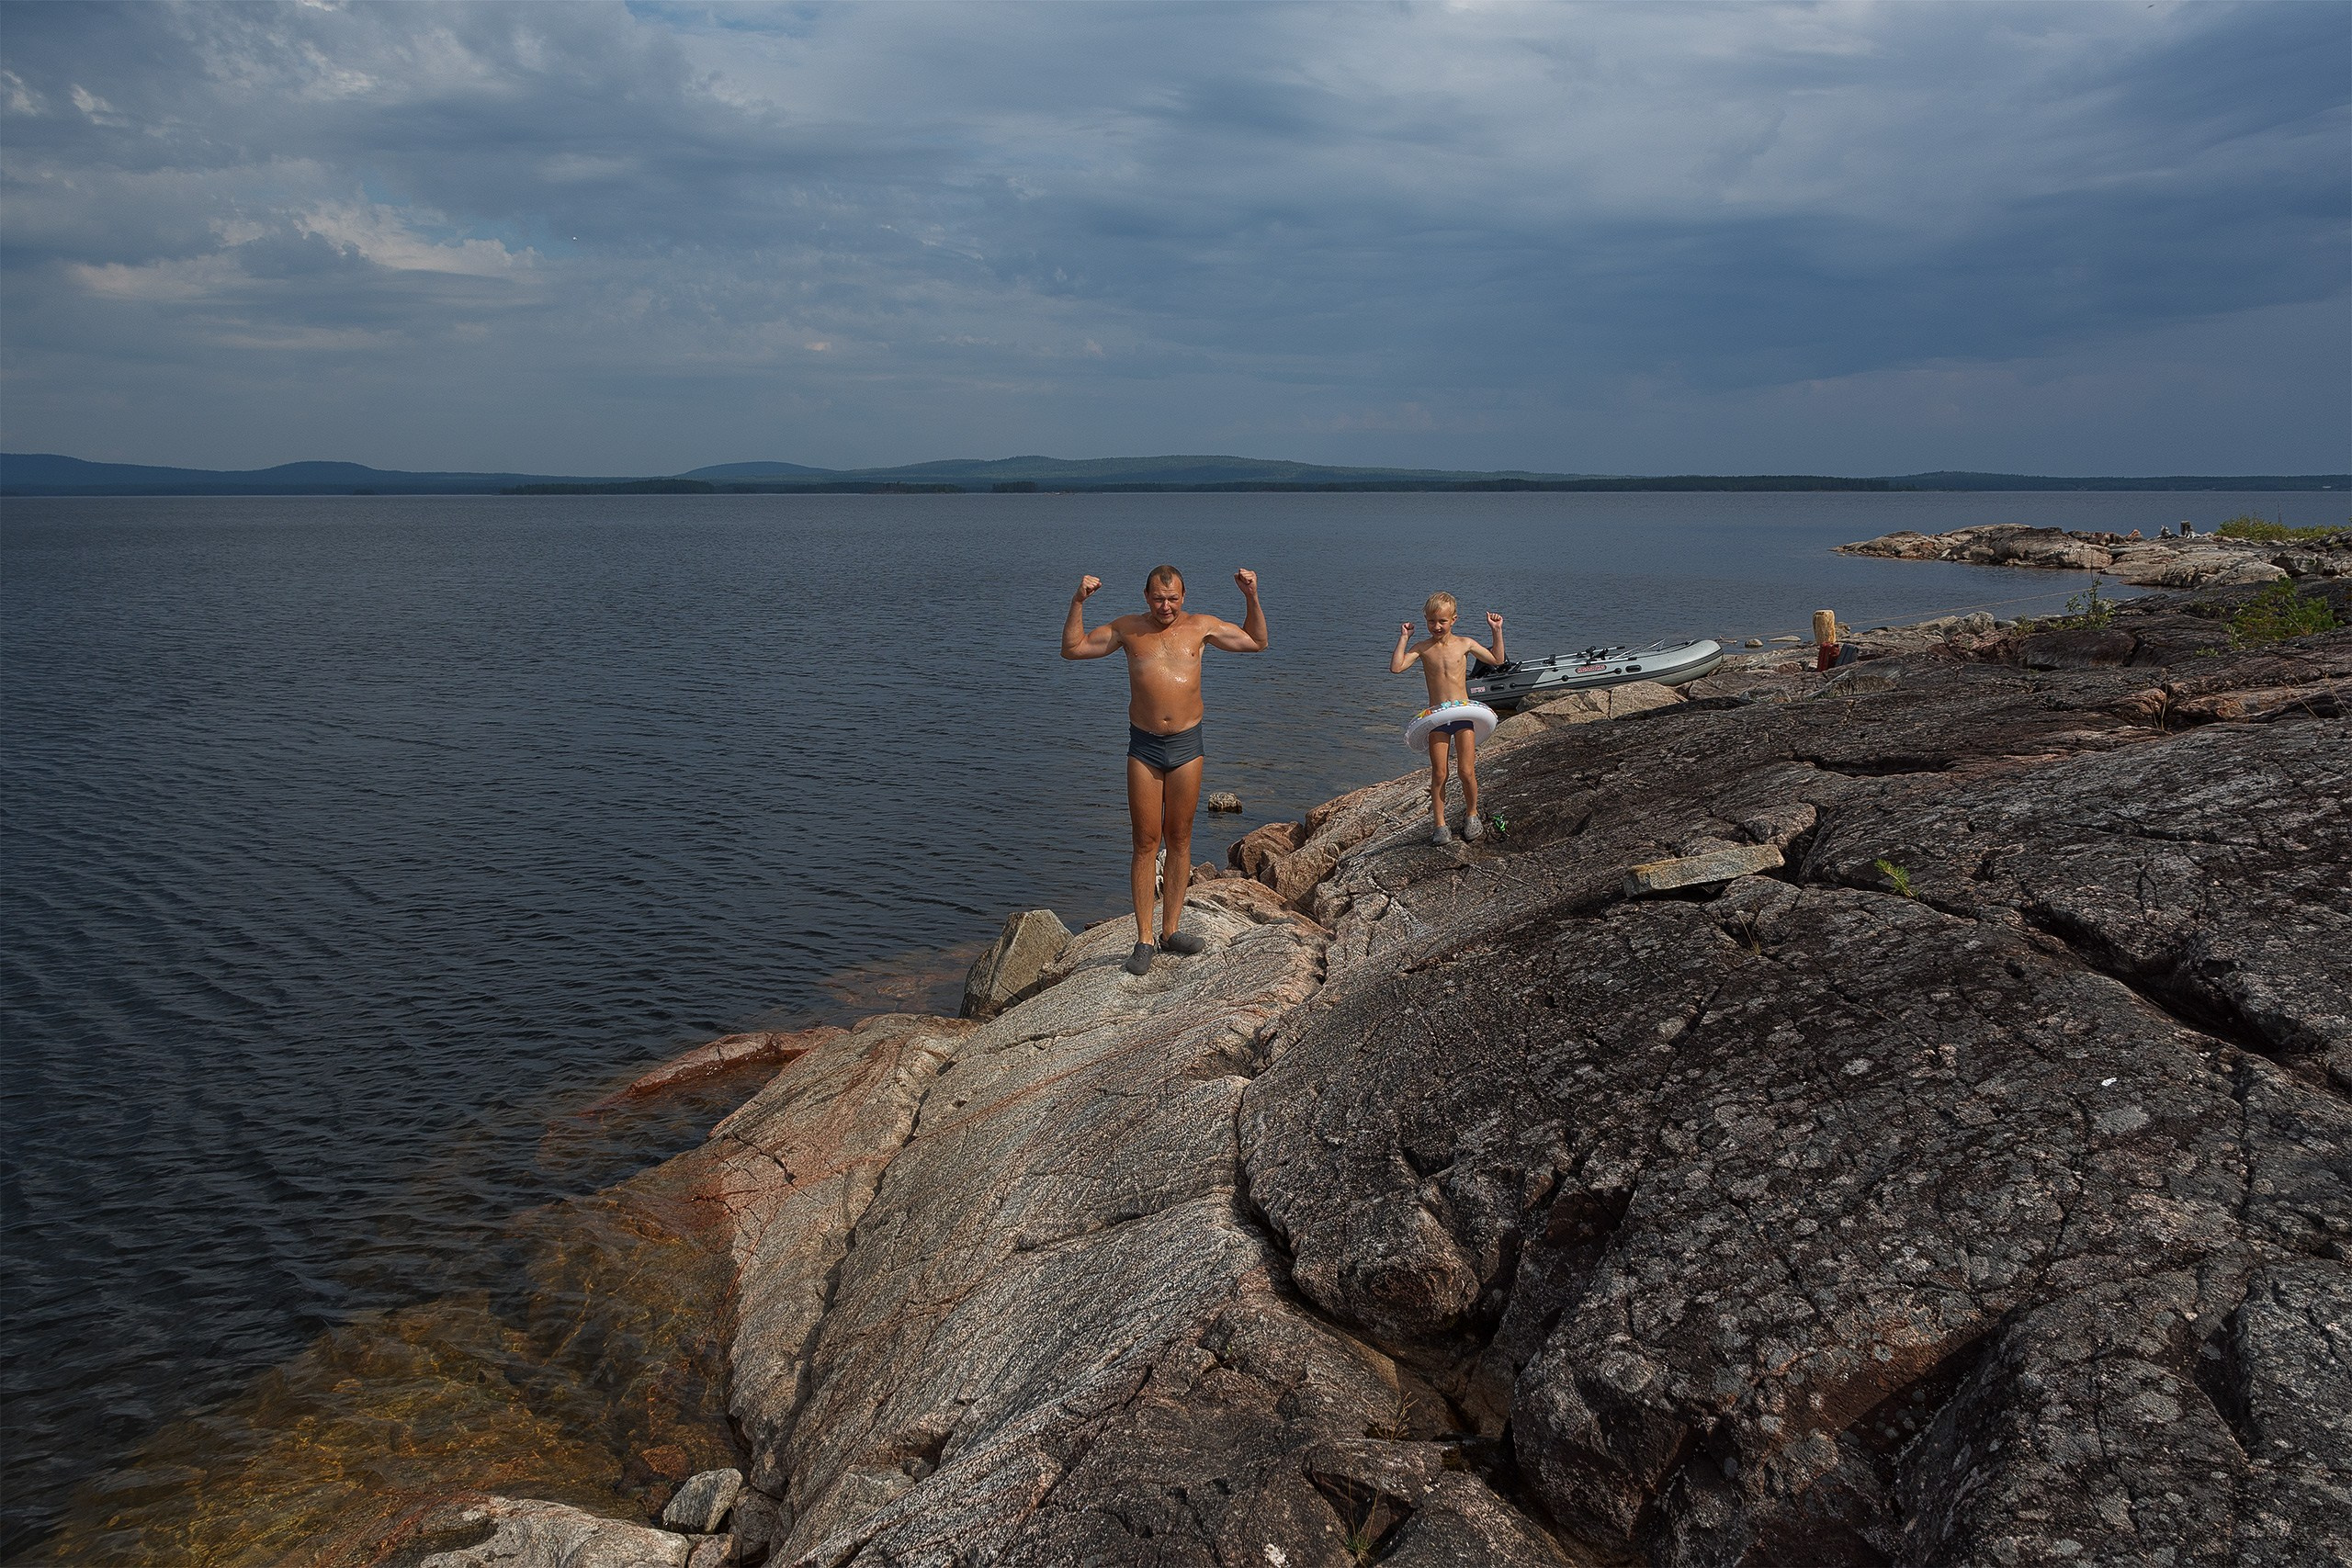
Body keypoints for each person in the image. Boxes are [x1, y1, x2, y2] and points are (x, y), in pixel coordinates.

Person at [1062, 565, 1269, 976]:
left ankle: (1171, 930)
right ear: (1146, 596)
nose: (1166, 605)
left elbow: (1256, 642)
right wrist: (1078, 602)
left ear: (1184, 596)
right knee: (1145, 841)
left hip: (1188, 745)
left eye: (1173, 598)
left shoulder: (1201, 627)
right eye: (1158, 598)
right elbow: (1073, 649)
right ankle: (1143, 938)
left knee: (1180, 836)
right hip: (1144, 745)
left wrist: (1251, 596)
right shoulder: (1128, 630)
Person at [1391, 592, 1504, 844]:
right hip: (1437, 719)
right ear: (1426, 620)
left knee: (1466, 771)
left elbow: (1497, 659)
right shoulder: (1422, 648)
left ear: (1454, 619)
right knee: (1439, 773)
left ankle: (1472, 814)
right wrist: (1404, 638)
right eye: (1431, 621)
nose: (1437, 626)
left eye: (1442, 621)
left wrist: (1496, 631)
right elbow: (1396, 667)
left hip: (1464, 714)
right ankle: (1440, 825)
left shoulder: (1465, 644)